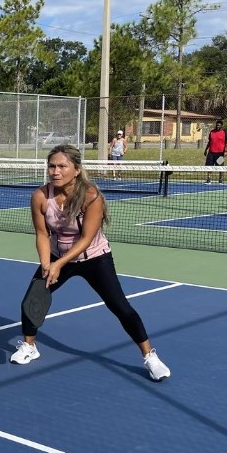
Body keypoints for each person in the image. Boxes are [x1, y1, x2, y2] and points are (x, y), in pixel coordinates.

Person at [10, 145, 171, 382]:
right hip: (56, 256)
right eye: (52, 166)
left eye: (62, 166)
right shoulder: (40, 197)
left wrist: (59, 264)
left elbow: (86, 239)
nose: (55, 171)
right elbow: (42, 234)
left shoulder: (90, 196)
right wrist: (47, 264)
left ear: (76, 170)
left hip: (94, 258)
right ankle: (29, 347)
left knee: (120, 307)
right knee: (32, 299)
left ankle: (150, 356)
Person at [204, 119, 225, 184]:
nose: (217, 126)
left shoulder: (224, 132)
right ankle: (209, 179)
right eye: (217, 125)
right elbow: (209, 142)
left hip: (220, 153)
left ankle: (220, 180)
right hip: (211, 153)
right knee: (209, 166)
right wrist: (206, 150)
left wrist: (225, 151)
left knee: (220, 167)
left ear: (221, 126)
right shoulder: (212, 132)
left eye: (219, 125)